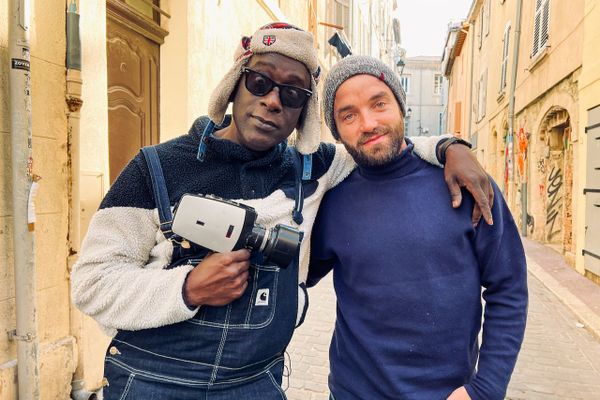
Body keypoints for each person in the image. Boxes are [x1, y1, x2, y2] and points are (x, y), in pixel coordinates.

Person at [71, 24, 493, 399]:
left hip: (257, 383)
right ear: (235, 85)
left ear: (303, 114)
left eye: (292, 93)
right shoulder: (157, 168)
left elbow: (378, 139)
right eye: (260, 82)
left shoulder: (313, 169)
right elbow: (91, 284)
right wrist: (187, 288)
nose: (273, 101)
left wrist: (450, 148)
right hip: (153, 382)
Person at [308, 55, 528, 400]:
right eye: (348, 115)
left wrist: (486, 388)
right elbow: (294, 276)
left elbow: (509, 288)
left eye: (379, 104)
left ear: (400, 105)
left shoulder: (466, 183)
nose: (368, 123)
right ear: (337, 131)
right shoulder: (331, 199)